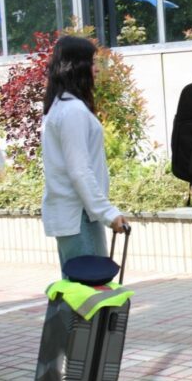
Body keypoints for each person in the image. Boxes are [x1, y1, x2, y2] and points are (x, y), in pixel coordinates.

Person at [41, 36, 128, 273]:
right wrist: (108, 213)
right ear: (77, 67)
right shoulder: (73, 111)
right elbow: (79, 170)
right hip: (80, 216)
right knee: (90, 290)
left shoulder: (59, 107)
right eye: (92, 62)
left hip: (75, 216)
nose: (96, 69)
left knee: (76, 289)